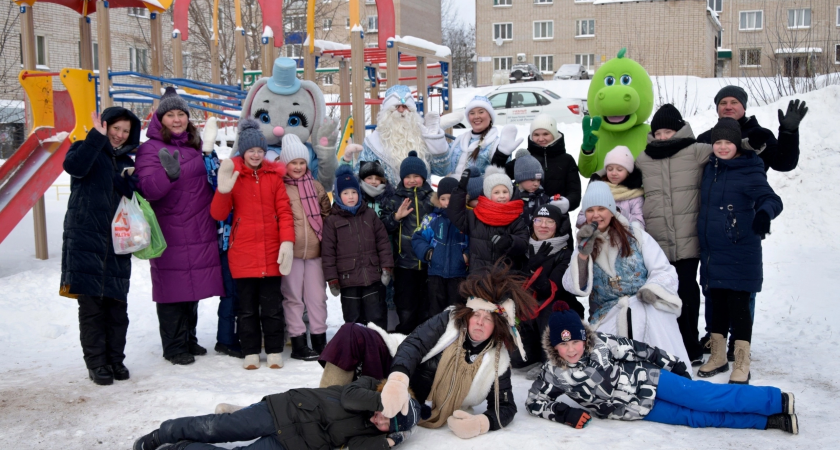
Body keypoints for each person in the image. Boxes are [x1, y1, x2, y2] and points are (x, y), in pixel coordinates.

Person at [320, 264, 536, 439]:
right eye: (476, 315)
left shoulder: (498, 361)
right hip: (397, 366)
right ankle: (325, 407)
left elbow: (506, 406)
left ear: (497, 325)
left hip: (416, 401)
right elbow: (414, 344)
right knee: (351, 333)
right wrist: (397, 380)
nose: (479, 322)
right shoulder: (450, 320)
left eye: (488, 318)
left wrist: (482, 423)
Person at [525, 301, 798, 434]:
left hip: (651, 379)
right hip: (635, 409)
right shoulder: (554, 374)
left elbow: (643, 350)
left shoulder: (602, 343)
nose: (571, 349)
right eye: (564, 345)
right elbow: (534, 402)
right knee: (697, 418)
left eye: (575, 341)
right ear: (554, 346)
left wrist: (674, 365)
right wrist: (563, 413)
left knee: (704, 398)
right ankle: (767, 421)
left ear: (584, 337)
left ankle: (775, 400)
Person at [695, 86, 806, 356]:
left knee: (741, 285)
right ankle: (715, 334)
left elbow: (784, 163)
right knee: (712, 282)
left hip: (742, 218)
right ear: (717, 107)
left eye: (734, 102)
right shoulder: (706, 138)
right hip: (712, 220)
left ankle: (739, 340)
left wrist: (789, 133)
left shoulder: (759, 135)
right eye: (723, 102)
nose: (728, 106)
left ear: (744, 106)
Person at [135, 87, 224, 365]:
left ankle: (189, 339)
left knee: (193, 286)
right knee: (172, 288)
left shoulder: (196, 145)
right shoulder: (150, 148)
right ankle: (174, 346)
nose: (176, 120)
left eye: (181, 114)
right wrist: (168, 175)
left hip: (199, 225)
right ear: (160, 119)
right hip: (170, 228)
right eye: (170, 115)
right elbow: (148, 188)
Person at [563, 181, 690, 365]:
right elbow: (572, 285)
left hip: (646, 305)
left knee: (642, 319)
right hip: (607, 315)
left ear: (611, 210)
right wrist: (582, 255)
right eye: (590, 210)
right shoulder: (584, 241)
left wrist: (651, 290)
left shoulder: (636, 234)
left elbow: (663, 269)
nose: (596, 215)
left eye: (601, 208)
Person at [697, 118, 783, 384]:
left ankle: (742, 361)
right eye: (718, 142)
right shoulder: (709, 167)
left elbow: (771, 199)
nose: (722, 147)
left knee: (739, 307)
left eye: (728, 143)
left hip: (740, 248)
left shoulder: (749, 167)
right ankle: (719, 356)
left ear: (737, 144)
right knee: (717, 304)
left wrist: (764, 215)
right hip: (713, 250)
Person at [60, 107, 140, 385]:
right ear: (104, 126)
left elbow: (134, 198)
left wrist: (129, 181)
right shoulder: (84, 148)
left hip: (118, 242)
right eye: (115, 128)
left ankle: (116, 360)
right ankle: (97, 364)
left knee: (117, 307)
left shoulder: (127, 161)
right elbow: (75, 168)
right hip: (86, 240)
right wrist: (96, 136)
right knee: (92, 307)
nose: (119, 135)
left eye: (125, 131)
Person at [132, 376, 429, 450]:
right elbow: (349, 399)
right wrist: (382, 402)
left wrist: (391, 441)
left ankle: (182, 447)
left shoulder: (373, 434)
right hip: (282, 411)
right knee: (219, 427)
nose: (379, 420)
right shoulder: (367, 388)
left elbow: (354, 447)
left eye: (385, 425)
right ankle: (164, 432)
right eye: (385, 413)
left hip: (290, 445)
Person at [210, 119, 295, 370]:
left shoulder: (273, 177)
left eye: (260, 150)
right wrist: (223, 190)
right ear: (243, 152)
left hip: (271, 252)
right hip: (243, 252)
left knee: (272, 307)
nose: (256, 155)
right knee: (246, 308)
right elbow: (217, 214)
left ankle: (274, 350)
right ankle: (249, 351)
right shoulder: (233, 174)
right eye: (251, 151)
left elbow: (285, 211)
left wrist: (287, 241)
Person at [277, 134, 331, 359]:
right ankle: (298, 341)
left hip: (315, 252)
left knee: (317, 297)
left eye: (302, 162)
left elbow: (326, 214)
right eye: (293, 163)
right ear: (285, 164)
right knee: (293, 298)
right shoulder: (280, 187)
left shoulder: (316, 186)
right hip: (293, 252)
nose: (298, 167)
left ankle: (320, 340)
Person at [512, 204, 582, 379]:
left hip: (556, 309)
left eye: (549, 221)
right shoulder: (524, 248)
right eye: (539, 220)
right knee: (517, 359)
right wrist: (529, 266)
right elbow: (516, 285)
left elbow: (551, 290)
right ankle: (536, 352)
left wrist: (536, 268)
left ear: (557, 225)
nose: (543, 225)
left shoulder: (565, 253)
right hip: (530, 312)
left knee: (549, 309)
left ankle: (550, 361)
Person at [323, 166, 394, 330]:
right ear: (338, 195)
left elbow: (383, 242)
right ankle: (355, 350)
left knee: (376, 316)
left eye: (354, 192)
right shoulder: (332, 221)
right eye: (346, 193)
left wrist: (386, 267)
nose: (351, 197)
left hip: (372, 276)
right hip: (348, 279)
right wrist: (332, 279)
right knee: (353, 319)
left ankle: (379, 348)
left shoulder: (369, 215)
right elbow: (328, 253)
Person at [341, 84, 450, 186]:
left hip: (422, 203)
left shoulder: (423, 136)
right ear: (386, 112)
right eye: (396, 107)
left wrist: (436, 142)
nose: (401, 111)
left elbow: (442, 171)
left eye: (405, 106)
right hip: (387, 204)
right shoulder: (372, 143)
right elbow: (359, 177)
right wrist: (347, 159)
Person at [200, 118, 243, 359]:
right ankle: (225, 339)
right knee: (230, 294)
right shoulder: (222, 176)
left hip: (245, 244)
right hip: (227, 244)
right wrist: (208, 149)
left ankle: (237, 335)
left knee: (241, 295)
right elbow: (210, 172)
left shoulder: (246, 173)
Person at [380, 152, 435, 334]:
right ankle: (404, 337)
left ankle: (425, 339)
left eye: (416, 176)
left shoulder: (432, 198)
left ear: (423, 177)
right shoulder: (395, 199)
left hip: (430, 263)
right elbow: (383, 226)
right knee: (406, 304)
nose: (412, 180)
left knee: (427, 304)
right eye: (408, 177)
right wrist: (396, 217)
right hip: (404, 263)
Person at [448, 167, 529, 272]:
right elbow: (455, 214)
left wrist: (509, 242)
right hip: (479, 277)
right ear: (488, 194)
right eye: (496, 192)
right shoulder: (475, 216)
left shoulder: (516, 218)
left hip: (505, 279)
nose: (502, 196)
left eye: (505, 191)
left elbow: (523, 244)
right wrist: (460, 191)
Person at [411, 177, 469, 317]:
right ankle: (436, 337)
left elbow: (475, 241)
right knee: (435, 311)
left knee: (457, 311)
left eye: (451, 198)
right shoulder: (432, 219)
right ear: (438, 200)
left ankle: (455, 337)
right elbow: (417, 237)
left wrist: (466, 255)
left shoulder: (466, 219)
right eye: (443, 199)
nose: (447, 202)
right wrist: (429, 253)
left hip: (459, 275)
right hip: (435, 274)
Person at [500, 113, 581, 210]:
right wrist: (501, 154)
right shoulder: (525, 158)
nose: (541, 139)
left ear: (554, 135)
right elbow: (499, 176)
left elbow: (575, 192)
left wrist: (567, 203)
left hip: (556, 217)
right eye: (536, 135)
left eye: (546, 134)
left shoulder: (566, 160)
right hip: (526, 217)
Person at [449, 95, 521, 176]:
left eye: (481, 112)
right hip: (454, 188)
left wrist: (502, 155)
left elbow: (501, 177)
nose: (476, 116)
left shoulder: (497, 144)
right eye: (472, 113)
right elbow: (442, 166)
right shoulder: (459, 140)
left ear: (490, 116)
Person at [576, 146, 644, 229]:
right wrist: (595, 219)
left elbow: (640, 225)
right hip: (598, 239)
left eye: (619, 169)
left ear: (628, 172)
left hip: (624, 239)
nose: (614, 173)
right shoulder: (597, 190)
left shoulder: (635, 195)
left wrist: (619, 212)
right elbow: (580, 220)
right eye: (610, 169)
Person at [511, 152, 568, 224]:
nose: (536, 184)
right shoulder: (510, 197)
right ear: (520, 179)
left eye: (538, 180)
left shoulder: (543, 198)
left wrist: (557, 206)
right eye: (532, 180)